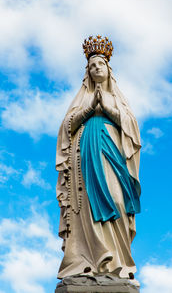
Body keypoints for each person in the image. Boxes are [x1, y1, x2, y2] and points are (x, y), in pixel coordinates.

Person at [56, 36, 141, 282]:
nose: (96, 68)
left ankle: (116, 261)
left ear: (108, 69)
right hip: (84, 159)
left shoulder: (119, 99)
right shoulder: (81, 99)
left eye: (100, 64)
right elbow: (66, 128)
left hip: (112, 154)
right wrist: (89, 108)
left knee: (116, 200)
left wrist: (108, 109)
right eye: (92, 66)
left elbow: (132, 131)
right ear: (88, 73)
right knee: (86, 206)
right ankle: (88, 261)